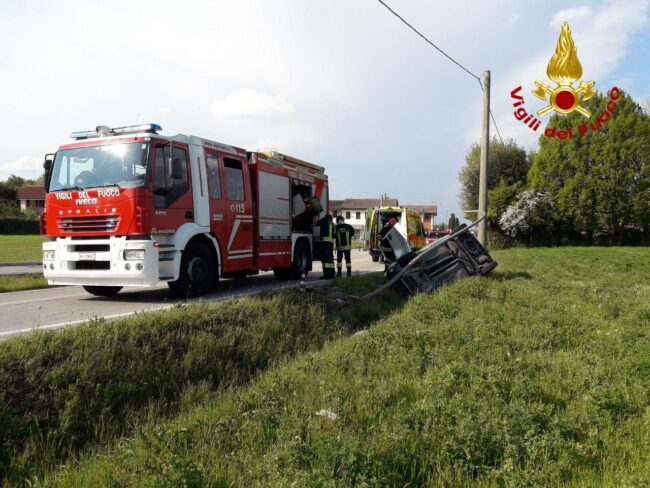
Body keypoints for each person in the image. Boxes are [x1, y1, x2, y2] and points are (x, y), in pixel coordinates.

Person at [319, 214, 336, 279]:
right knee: (330, 258)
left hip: (324, 243)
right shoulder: (333, 224)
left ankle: (326, 274)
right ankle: (332, 274)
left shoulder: (324, 220)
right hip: (331, 243)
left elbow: (317, 223)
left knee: (325, 259)